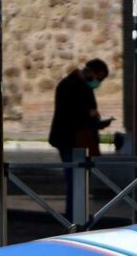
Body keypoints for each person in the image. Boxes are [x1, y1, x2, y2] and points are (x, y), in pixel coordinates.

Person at [47, 59, 113, 221]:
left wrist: (96, 121)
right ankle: (73, 217)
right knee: (74, 179)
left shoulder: (83, 87)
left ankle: (78, 215)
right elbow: (71, 115)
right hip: (70, 140)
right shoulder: (69, 85)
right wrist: (90, 117)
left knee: (80, 180)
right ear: (90, 71)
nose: (98, 82)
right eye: (99, 78)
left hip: (81, 140)